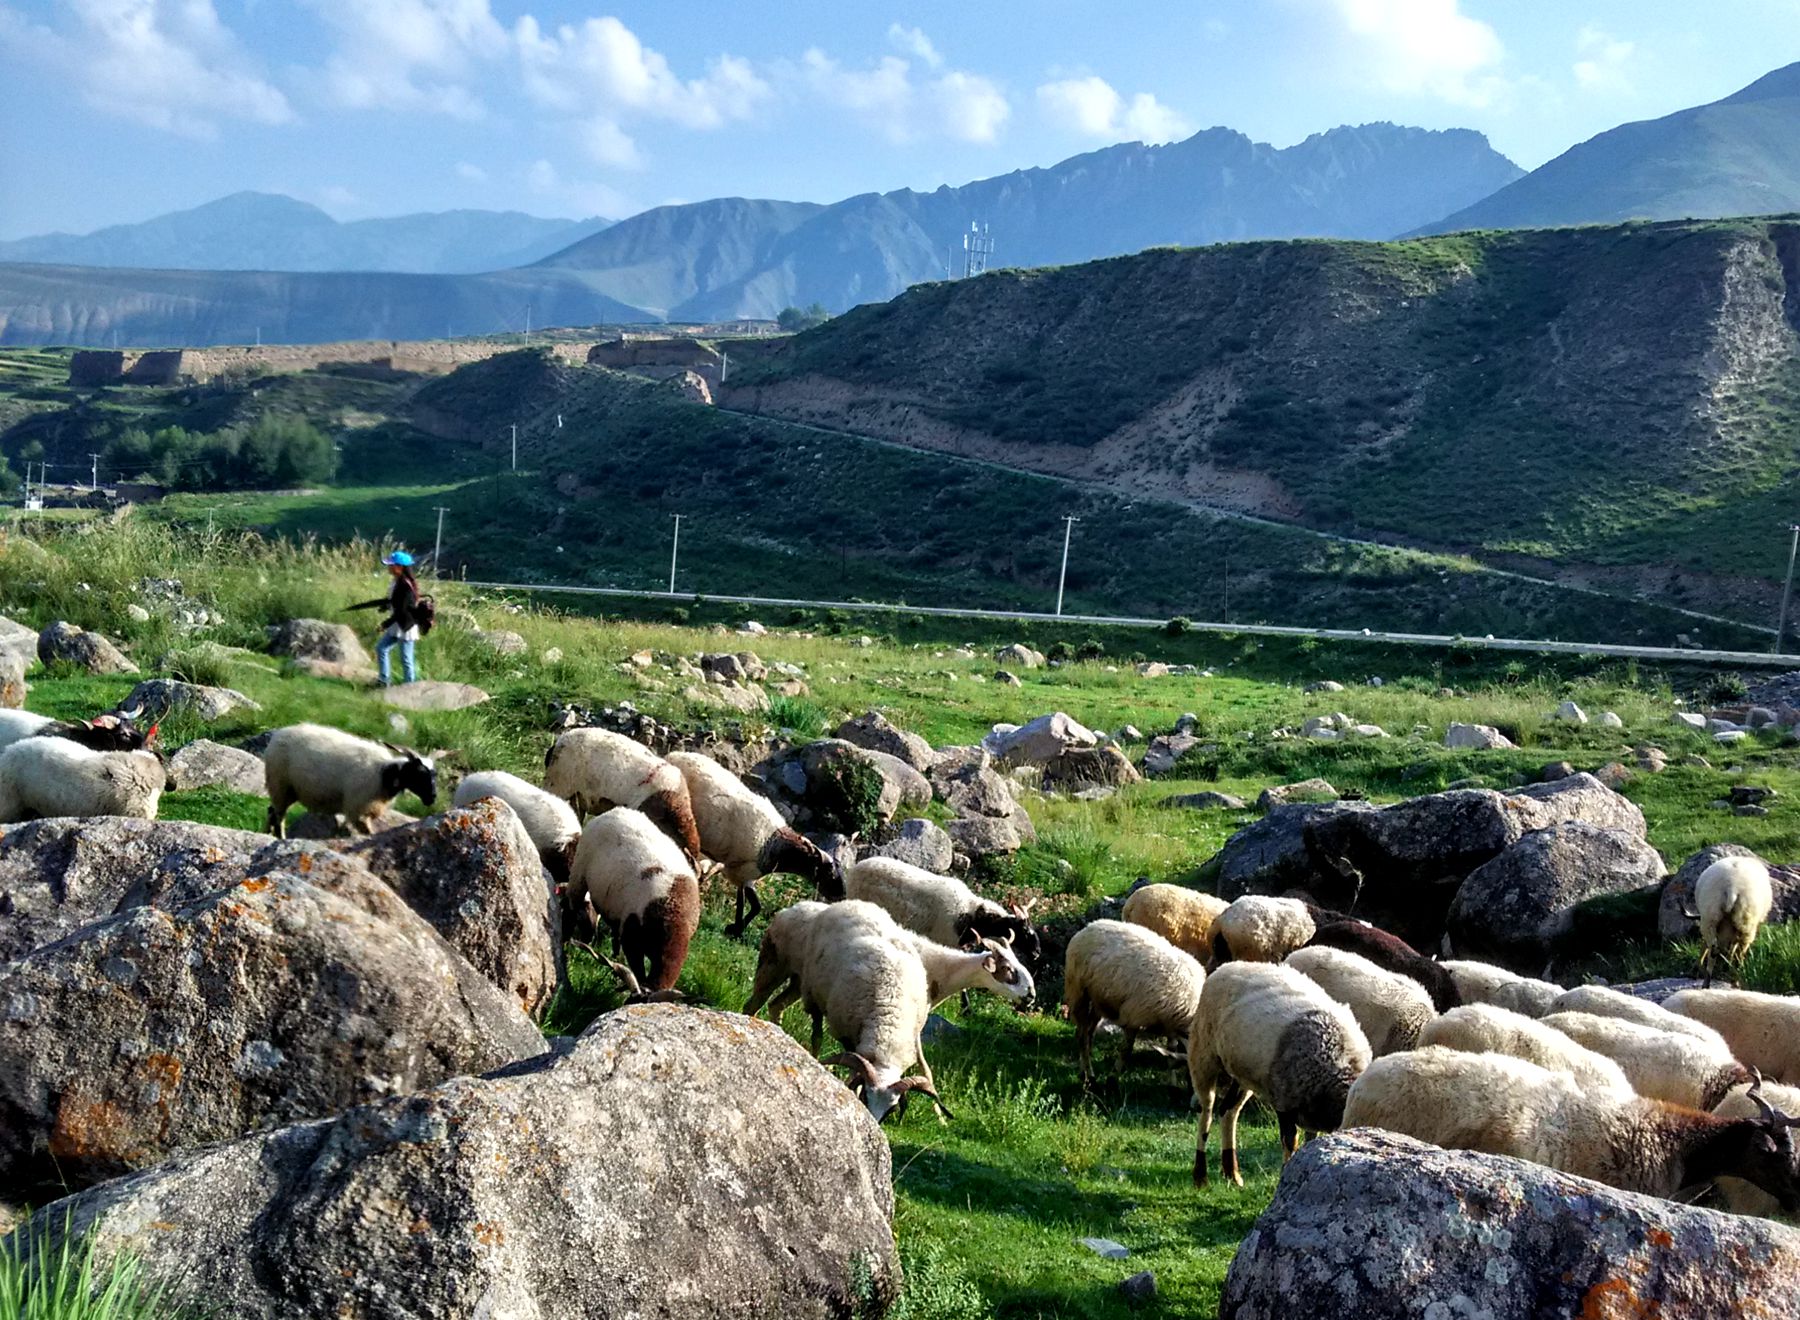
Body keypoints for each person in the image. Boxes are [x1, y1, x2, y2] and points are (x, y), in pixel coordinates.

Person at [348, 551, 423, 686]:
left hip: (406, 626)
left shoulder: (405, 586)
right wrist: (386, 607)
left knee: (406, 659)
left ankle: (409, 686)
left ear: (399, 567)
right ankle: (384, 680)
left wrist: (385, 624)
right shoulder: (397, 582)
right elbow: (395, 603)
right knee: (381, 649)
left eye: (391, 565)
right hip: (397, 624)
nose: (388, 568)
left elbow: (403, 611)